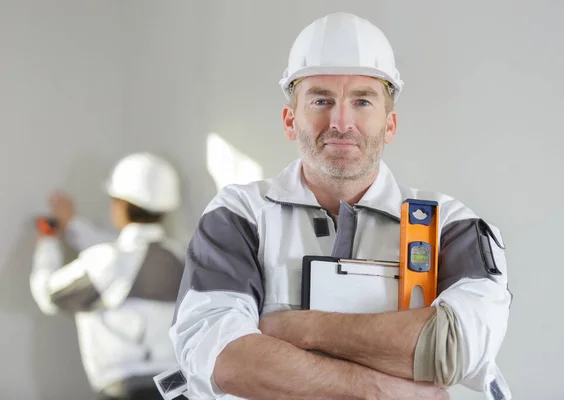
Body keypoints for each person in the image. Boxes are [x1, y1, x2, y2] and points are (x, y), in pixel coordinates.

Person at [169, 12, 512, 400]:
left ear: (390, 124)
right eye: (320, 100)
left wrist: (289, 329)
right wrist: (382, 389)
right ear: (289, 119)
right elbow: (226, 360)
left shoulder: (450, 225)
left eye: (362, 101)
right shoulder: (239, 215)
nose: (340, 122)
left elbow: (451, 348)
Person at [30, 152, 187, 400]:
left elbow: (47, 295)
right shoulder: (181, 257)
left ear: (120, 203)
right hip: (177, 385)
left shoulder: (110, 262)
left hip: (126, 389)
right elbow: (124, 256)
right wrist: (72, 225)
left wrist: (47, 244)